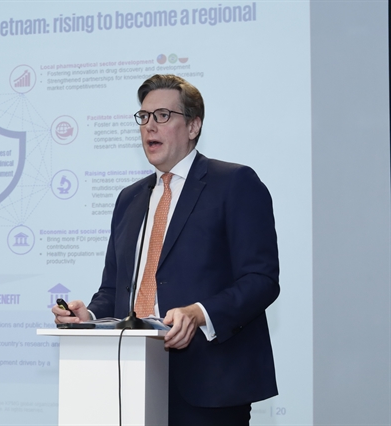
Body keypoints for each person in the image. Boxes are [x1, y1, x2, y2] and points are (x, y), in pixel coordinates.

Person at [51, 74, 279, 425]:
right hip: (131, 379)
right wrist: (90, 318)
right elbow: (115, 288)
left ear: (193, 126)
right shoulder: (129, 198)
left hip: (209, 383)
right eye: (144, 116)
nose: (149, 126)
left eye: (162, 115)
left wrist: (199, 313)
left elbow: (261, 279)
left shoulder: (233, 183)